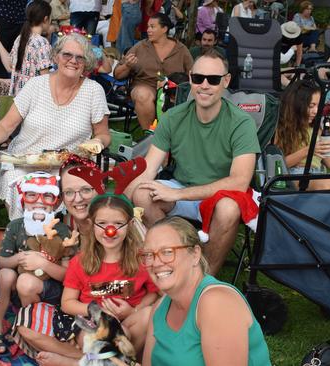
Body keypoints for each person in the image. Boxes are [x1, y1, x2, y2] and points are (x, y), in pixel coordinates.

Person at [129, 49, 260, 274]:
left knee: (229, 208)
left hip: (219, 196)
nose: (205, 85)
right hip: (181, 187)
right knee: (142, 193)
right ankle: (176, 264)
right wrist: (117, 204)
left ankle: (203, 278)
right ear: (190, 78)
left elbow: (239, 182)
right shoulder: (173, 116)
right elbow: (148, 168)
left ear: (226, 81)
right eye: (198, 78)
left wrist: (178, 194)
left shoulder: (241, 123)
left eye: (214, 79)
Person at [0, 33, 111, 220]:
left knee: (63, 192)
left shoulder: (93, 91)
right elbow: (5, 126)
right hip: (23, 163)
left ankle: (53, 242)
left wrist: (96, 142)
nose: (73, 61)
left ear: (86, 63)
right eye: (67, 55)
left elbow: (104, 134)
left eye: (79, 57)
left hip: (68, 168)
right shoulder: (35, 85)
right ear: (56, 56)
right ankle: (27, 241)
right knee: (26, 194)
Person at [28, 191, 159, 365]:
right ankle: (93, 360)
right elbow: (67, 303)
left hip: (129, 320)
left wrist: (133, 311)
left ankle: (75, 363)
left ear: (131, 224)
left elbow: (154, 293)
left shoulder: (142, 259)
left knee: (147, 315)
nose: (109, 231)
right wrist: (97, 311)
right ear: (92, 224)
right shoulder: (80, 262)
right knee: (26, 324)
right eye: (102, 223)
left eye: (118, 223)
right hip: (92, 323)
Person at [141, 217, 271, 365]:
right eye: (148, 255)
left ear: (195, 254)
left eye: (168, 252)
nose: (156, 263)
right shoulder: (160, 307)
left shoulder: (217, 303)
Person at [0, 172, 74, 358]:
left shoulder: (62, 230)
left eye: (47, 196)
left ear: (56, 203)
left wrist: (43, 263)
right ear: (22, 200)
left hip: (51, 291)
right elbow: (1, 261)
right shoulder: (16, 226)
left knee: (26, 282)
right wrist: (19, 258)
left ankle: (32, 325)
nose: (39, 202)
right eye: (32, 195)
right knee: (4, 275)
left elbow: (68, 276)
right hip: (18, 289)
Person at [276, 80, 330, 191]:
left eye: (319, 106)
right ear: (297, 104)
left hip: (317, 173)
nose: (316, 111)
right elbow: (278, 165)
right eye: (311, 106)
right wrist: (308, 151)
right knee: (328, 184)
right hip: (292, 174)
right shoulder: (281, 127)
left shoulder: (320, 128)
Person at [114, 13, 193, 130]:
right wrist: (127, 65)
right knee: (143, 95)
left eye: (152, 26)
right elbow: (117, 75)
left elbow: (193, 73)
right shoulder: (140, 47)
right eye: (148, 27)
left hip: (172, 90)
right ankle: (151, 137)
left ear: (164, 29)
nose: (148, 30)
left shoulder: (181, 49)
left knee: (179, 98)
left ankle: (174, 137)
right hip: (145, 85)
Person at [9, 0, 52, 97]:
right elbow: (45, 76)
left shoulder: (19, 38)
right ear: (46, 19)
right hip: (33, 97)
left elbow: (10, 64)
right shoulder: (41, 42)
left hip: (17, 96)